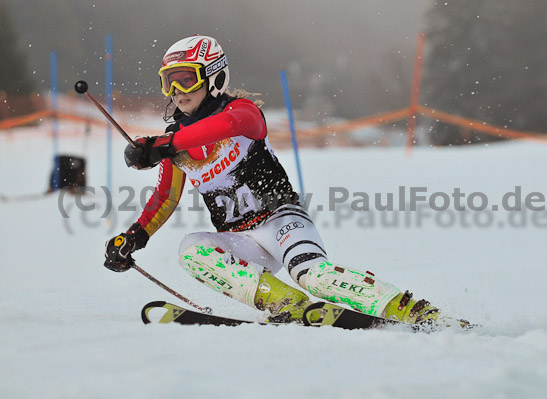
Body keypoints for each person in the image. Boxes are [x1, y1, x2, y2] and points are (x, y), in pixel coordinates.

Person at [104, 35, 440, 325]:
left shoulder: (241, 112)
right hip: (243, 242)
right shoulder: (175, 143)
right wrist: (135, 237)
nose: (177, 92)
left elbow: (223, 128)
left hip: (282, 221)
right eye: (169, 82)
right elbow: (165, 198)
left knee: (313, 276)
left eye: (186, 80)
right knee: (190, 249)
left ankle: (411, 311)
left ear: (214, 77)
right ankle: (287, 304)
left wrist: (163, 145)